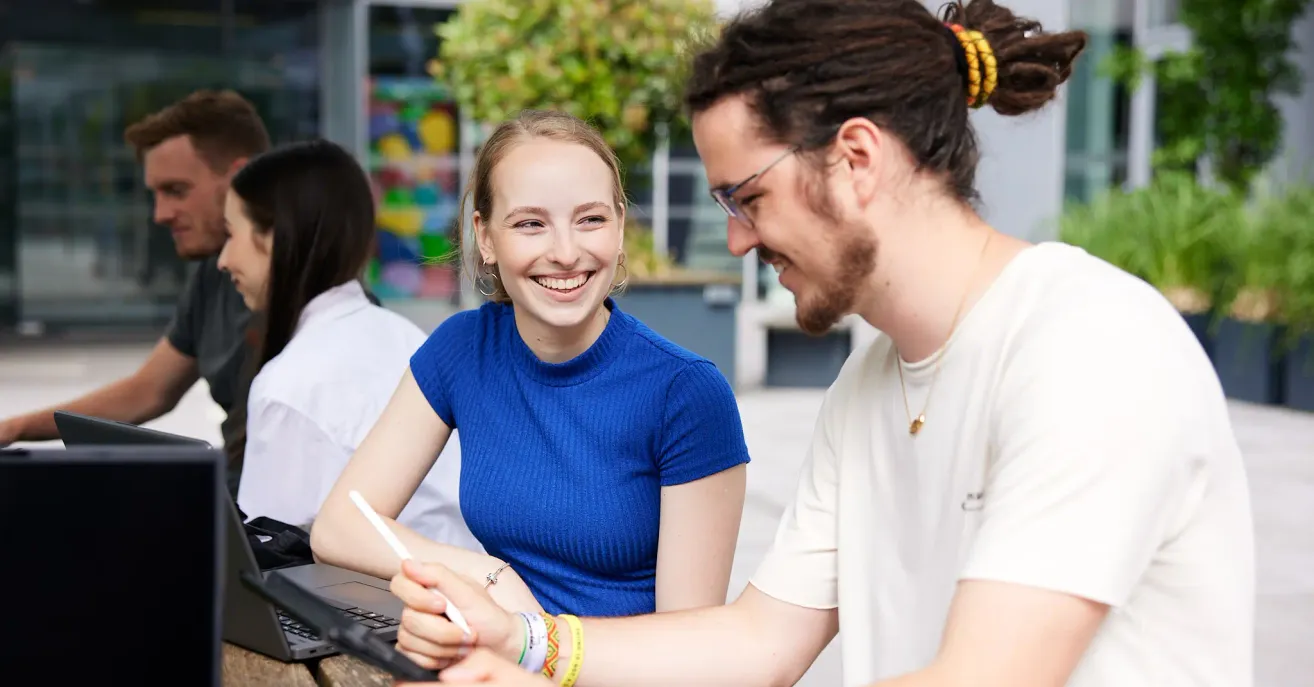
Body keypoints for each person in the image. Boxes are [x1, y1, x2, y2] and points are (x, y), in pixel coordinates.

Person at [383, 2, 1256, 686]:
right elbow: (760, 643)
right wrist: (524, 642)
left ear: (857, 159)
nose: (735, 242)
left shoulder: (1090, 348)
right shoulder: (868, 384)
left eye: (746, 199)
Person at [311, 110, 751, 620]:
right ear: (487, 238)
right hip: (494, 660)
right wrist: (484, 575)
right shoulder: (463, 348)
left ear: (620, 225)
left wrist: (540, 645)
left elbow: (687, 655)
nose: (566, 252)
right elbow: (340, 525)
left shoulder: (686, 392)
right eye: (530, 224)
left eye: (590, 219)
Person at [0, 91, 268, 490]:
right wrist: (14, 428)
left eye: (176, 190)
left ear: (238, 179)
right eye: (155, 194)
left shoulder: (309, 288)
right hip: (233, 496)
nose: (159, 215)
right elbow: (148, 391)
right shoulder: (213, 270)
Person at [218, 139, 478, 548]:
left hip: (377, 602)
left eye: (231, 234)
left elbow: (267, 560)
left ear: (273, 240)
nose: (223, 259)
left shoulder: (289, 385)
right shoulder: (403, 335)